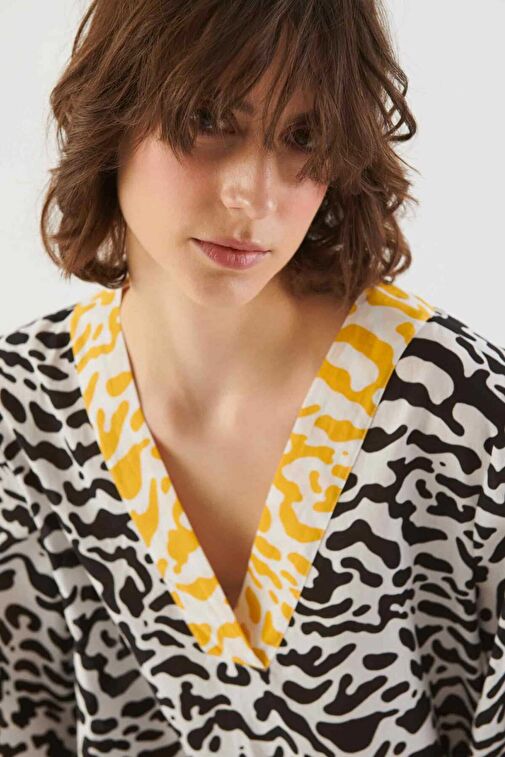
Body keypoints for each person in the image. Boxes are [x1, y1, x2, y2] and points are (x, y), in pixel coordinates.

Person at [1, 1, 503, 755]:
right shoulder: (24, 409)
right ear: (113, 113)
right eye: (209, 119)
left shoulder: (451, 408)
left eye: (304, 137)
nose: (254, 195)